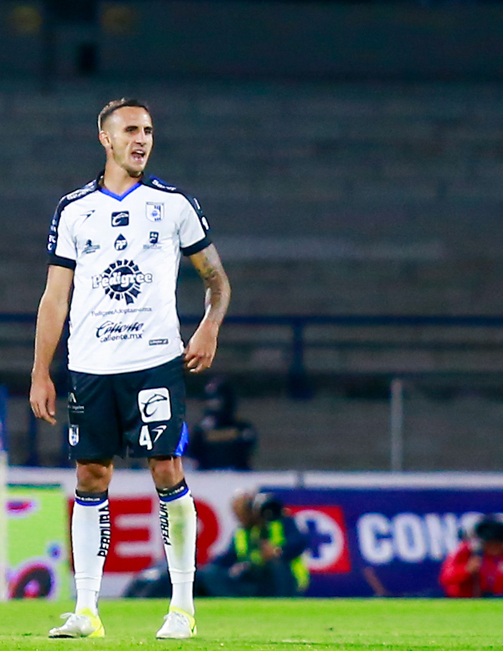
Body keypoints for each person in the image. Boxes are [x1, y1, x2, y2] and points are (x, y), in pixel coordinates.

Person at [30, 98, 231, 639]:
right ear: (105, 138)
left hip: (153, 362)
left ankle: (182, 607)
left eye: (148, 130)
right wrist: (40, 372)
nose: (142, 139)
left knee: (165, 469)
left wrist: (208, 326)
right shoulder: (73, 210)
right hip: (91, 366)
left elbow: (217, 279)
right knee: (90, 476)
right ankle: (88, 611)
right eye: (131, 130)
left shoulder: (173, 205)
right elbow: (54, 299)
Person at [196, 491, 309, 598]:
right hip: (254, 577)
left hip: (284, 577)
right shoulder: (242, 532)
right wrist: (207, 568)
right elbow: (227, 558)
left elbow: (299, 543)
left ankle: (280, 602)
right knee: (210, 575)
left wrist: (277, 551)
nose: (240, 517)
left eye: (243, 511)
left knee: (276, 566)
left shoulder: (280, 522)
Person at [439, 518, 503, 598]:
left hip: (495, 600)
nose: (493, 548)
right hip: (465, 599)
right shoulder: (466, 552)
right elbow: (446, 578)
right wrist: (466, 569)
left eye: (497, 544)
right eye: (490, 544)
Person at [189, 377, 258, 470]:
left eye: (215, 400)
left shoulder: (242, 429)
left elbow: (244, 453)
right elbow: (195, 454)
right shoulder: (201, 431)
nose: (211, 404)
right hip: (207, 480)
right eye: (208, 401)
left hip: (237, 478)